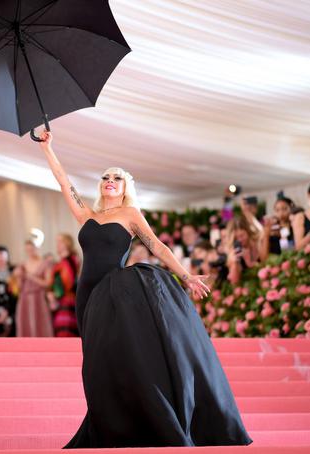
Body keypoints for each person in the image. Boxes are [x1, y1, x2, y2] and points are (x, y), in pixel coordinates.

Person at [38, 131, 251, 448]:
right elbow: (62, 181)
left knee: (120, 357)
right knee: (96, 362)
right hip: (86, 295)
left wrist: (185, 275)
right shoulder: (88, 215)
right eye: (106, 177)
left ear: (125, 188)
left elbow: (158, 246)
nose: (110, 181)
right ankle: (108, 422)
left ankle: (141, 421)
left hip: (114, 295)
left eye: (117, 178)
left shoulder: (130, 214)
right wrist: (48, 148)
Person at [15, 239, 53, 337]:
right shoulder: (22, 264)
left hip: (39, 298)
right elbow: (19, 287)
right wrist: (18, 277)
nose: (30, 252)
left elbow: (48, 283)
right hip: (24, 298)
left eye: (32, 249)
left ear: (37, 248)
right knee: (25, 324)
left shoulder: (45, 263)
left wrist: (31, 276)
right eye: (27, 250)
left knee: (40, 324)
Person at [48, 234, 80, 337]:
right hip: (62, 300)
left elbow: (66, 282)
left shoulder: (71, 260)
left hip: (67, 299)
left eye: (60, 242)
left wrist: (53, 295)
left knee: (65, 332)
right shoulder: (63, 261)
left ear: (67, 243)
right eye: (57, 242)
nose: (58, 244)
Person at [223, 217, 260, 286]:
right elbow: (234, 282)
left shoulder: (257, 244)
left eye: (242, 235)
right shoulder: (233, 252)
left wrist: (250, 263)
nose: (240, 240)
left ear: (248, 232)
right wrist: (234, 263)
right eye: (236, 238)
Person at [260, 196, 294, 262]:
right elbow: (264, 256)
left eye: (284, 209)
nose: (281, 213)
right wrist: (266, 234)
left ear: (291, 208)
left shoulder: (294, 226)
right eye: (277, 210)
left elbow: (290, 250)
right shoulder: (272, 229)